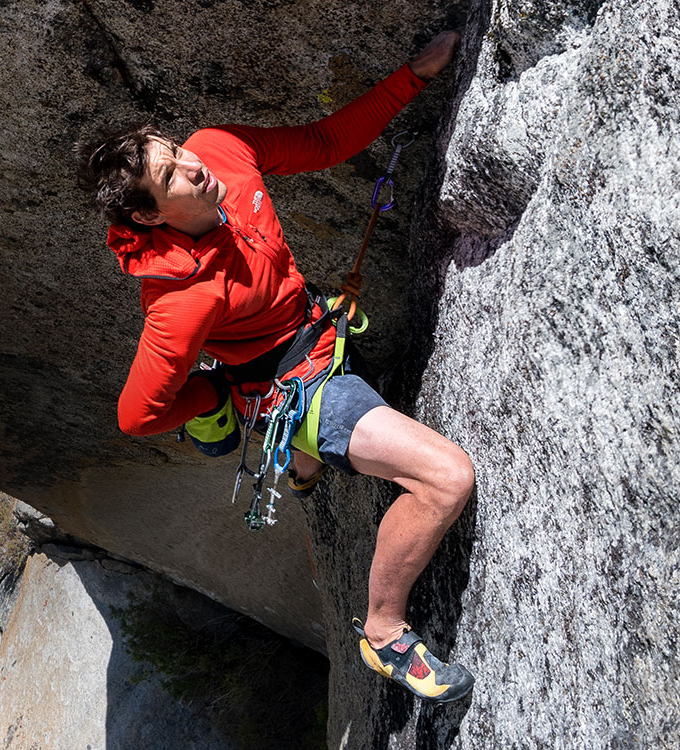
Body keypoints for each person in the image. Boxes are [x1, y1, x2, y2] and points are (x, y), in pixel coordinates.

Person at [75, 31, 475, 703]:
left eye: (174, 150)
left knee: (314, 456)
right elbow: (137, 414)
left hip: (311, 330)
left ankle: (300, 466)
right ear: (147, 215)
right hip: (300, 387)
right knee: (445, 478)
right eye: (170, 174)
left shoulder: (219, 150)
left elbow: (323, 144)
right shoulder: (181, 298)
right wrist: (208, 396)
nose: (192, 165)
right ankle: (382, 633)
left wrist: (413, 75)